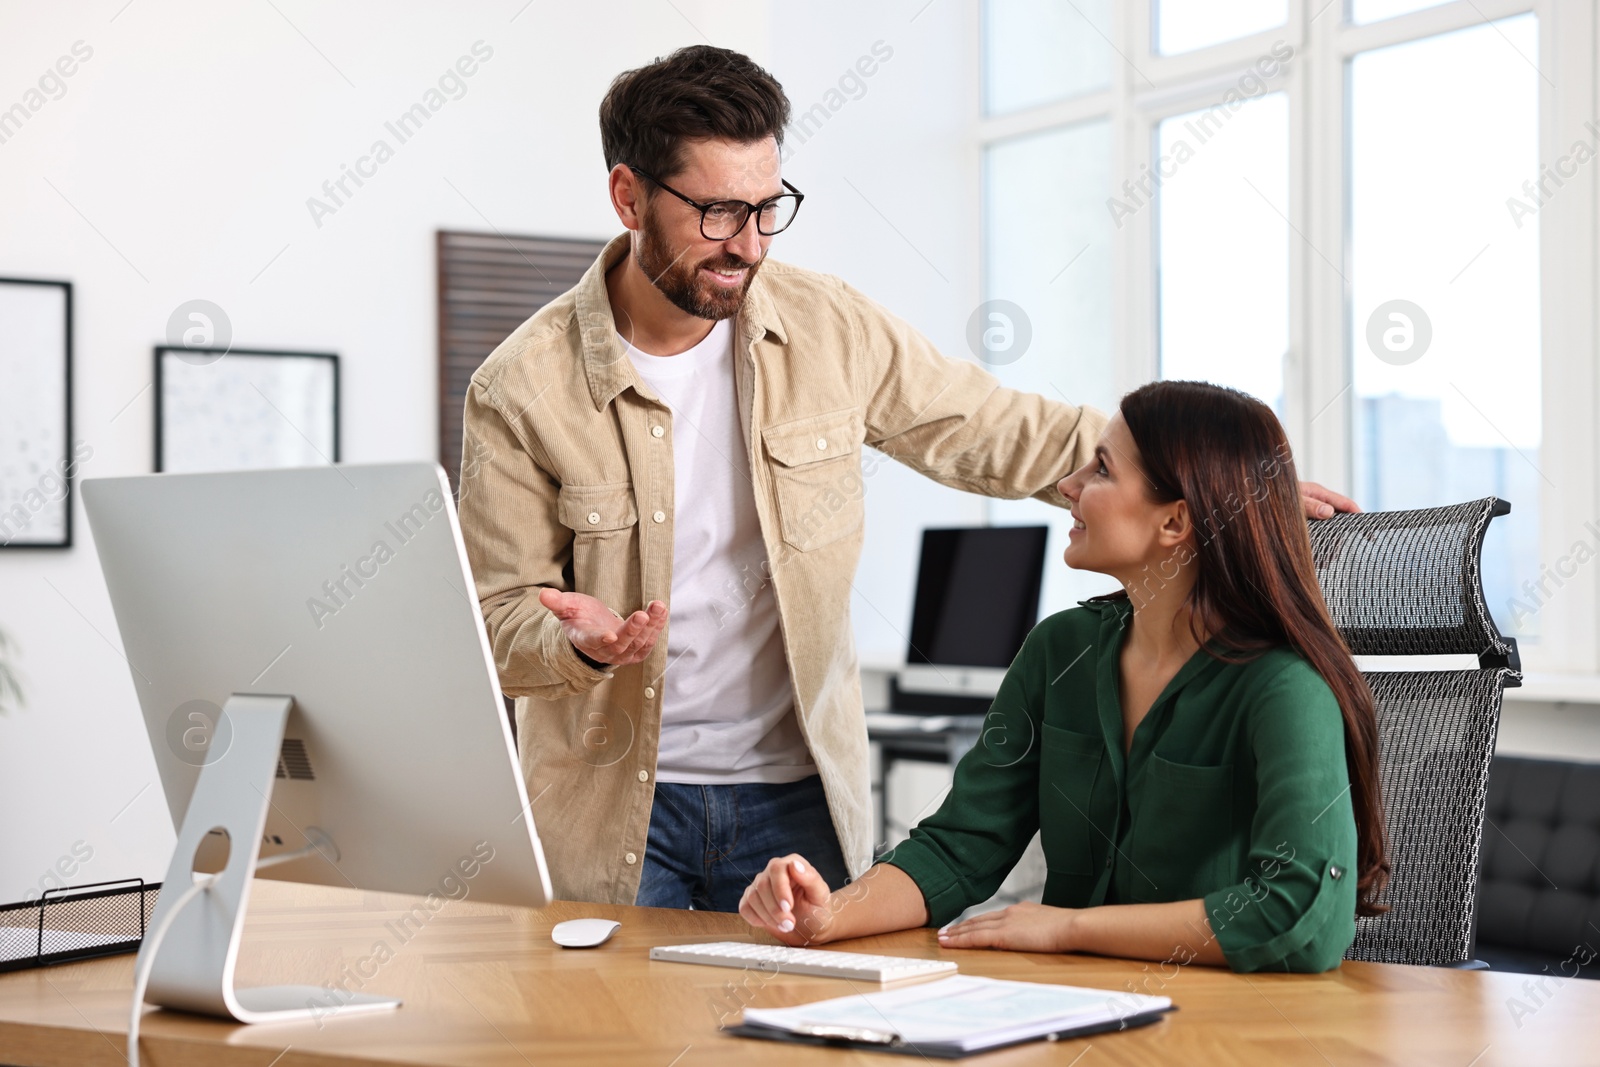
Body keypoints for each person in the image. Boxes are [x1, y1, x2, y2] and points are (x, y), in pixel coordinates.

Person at [457, 45, 1358, 910]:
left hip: (795, 794)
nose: (750, 244)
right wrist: (579, 644)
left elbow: (988, 426)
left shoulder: (826, 326)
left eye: (769, 207)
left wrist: (1205, 483)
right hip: (615, 807)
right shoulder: (520, 388)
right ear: (628, 195)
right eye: (717, 213)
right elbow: (493, 623)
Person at [737, 380, 1389, 973]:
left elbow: (1303, 915)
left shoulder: (1284, 688)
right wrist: (830, 914)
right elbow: (962, 844)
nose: (1070, 485)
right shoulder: (1061, 651)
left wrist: (1069, 928)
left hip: (1228, 1031)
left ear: (1174, 521)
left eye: (1101, 468)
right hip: (1069, 1011)